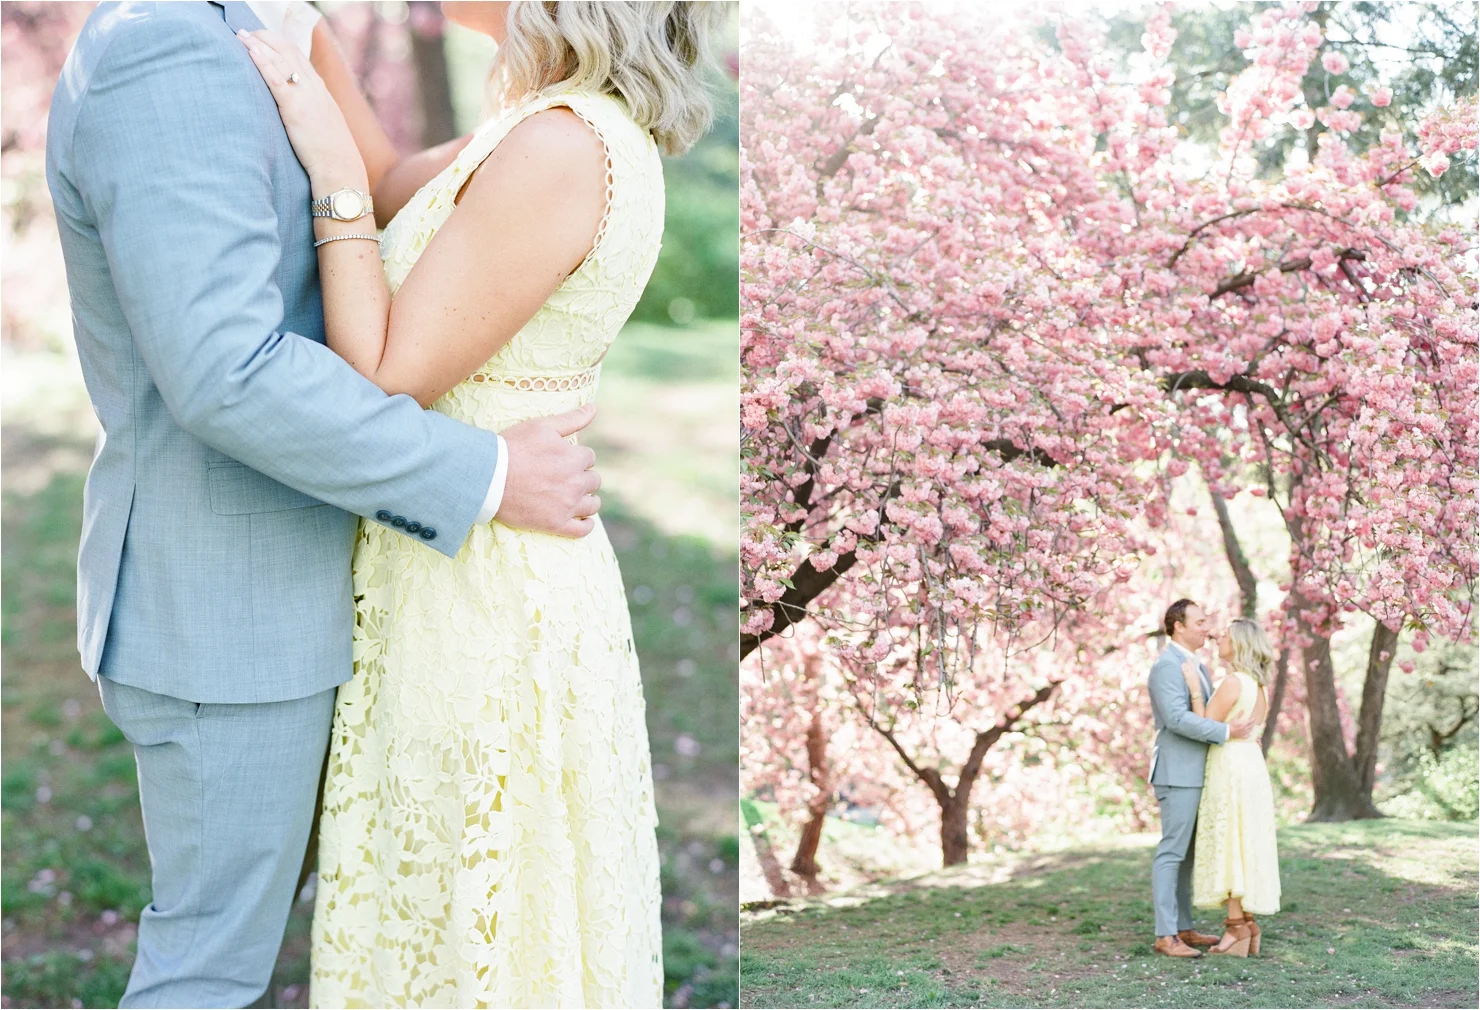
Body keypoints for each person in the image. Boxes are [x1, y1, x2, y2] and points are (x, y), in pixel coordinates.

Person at [45, 1, 601, 1006]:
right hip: (224, 604)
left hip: (291, 590)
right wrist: (481, 472)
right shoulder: (166, 46)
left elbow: (383, 191)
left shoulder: (255, 24)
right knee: (207, 972)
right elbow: (225, 371)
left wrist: (553, 132)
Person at [237, 2, 724, 1006]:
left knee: (472, 926)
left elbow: (379, 371)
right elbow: (389, 184)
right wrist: (309, 25)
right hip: (457, 553)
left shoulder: (562, 146)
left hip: (484, 588)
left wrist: (326, 173)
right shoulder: (542, 124)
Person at [1145, 598, 1256, 958]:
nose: (1207, 627)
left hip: (1200, 772)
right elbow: (1177, 720)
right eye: (1200, 621)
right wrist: (1226, 732)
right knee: (1172, 853)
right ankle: (1165, 935)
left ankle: (1183, 927)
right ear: (1178, 625)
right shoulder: (1167, 666)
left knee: (1188, 856)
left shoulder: (1198, 667)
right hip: (1178, 773)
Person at [1183, 617, 1282, 956]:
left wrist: (1194, 689)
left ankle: (1236, 927)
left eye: (1225, 635)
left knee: (1229, 841)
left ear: (1238, 644)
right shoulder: (1259, 686)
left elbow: (1204, 725)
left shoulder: (1233, 683)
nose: (1218, 638)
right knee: (1245, 841)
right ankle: (1248, 922)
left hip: (1230, 766)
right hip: (1252, 767)